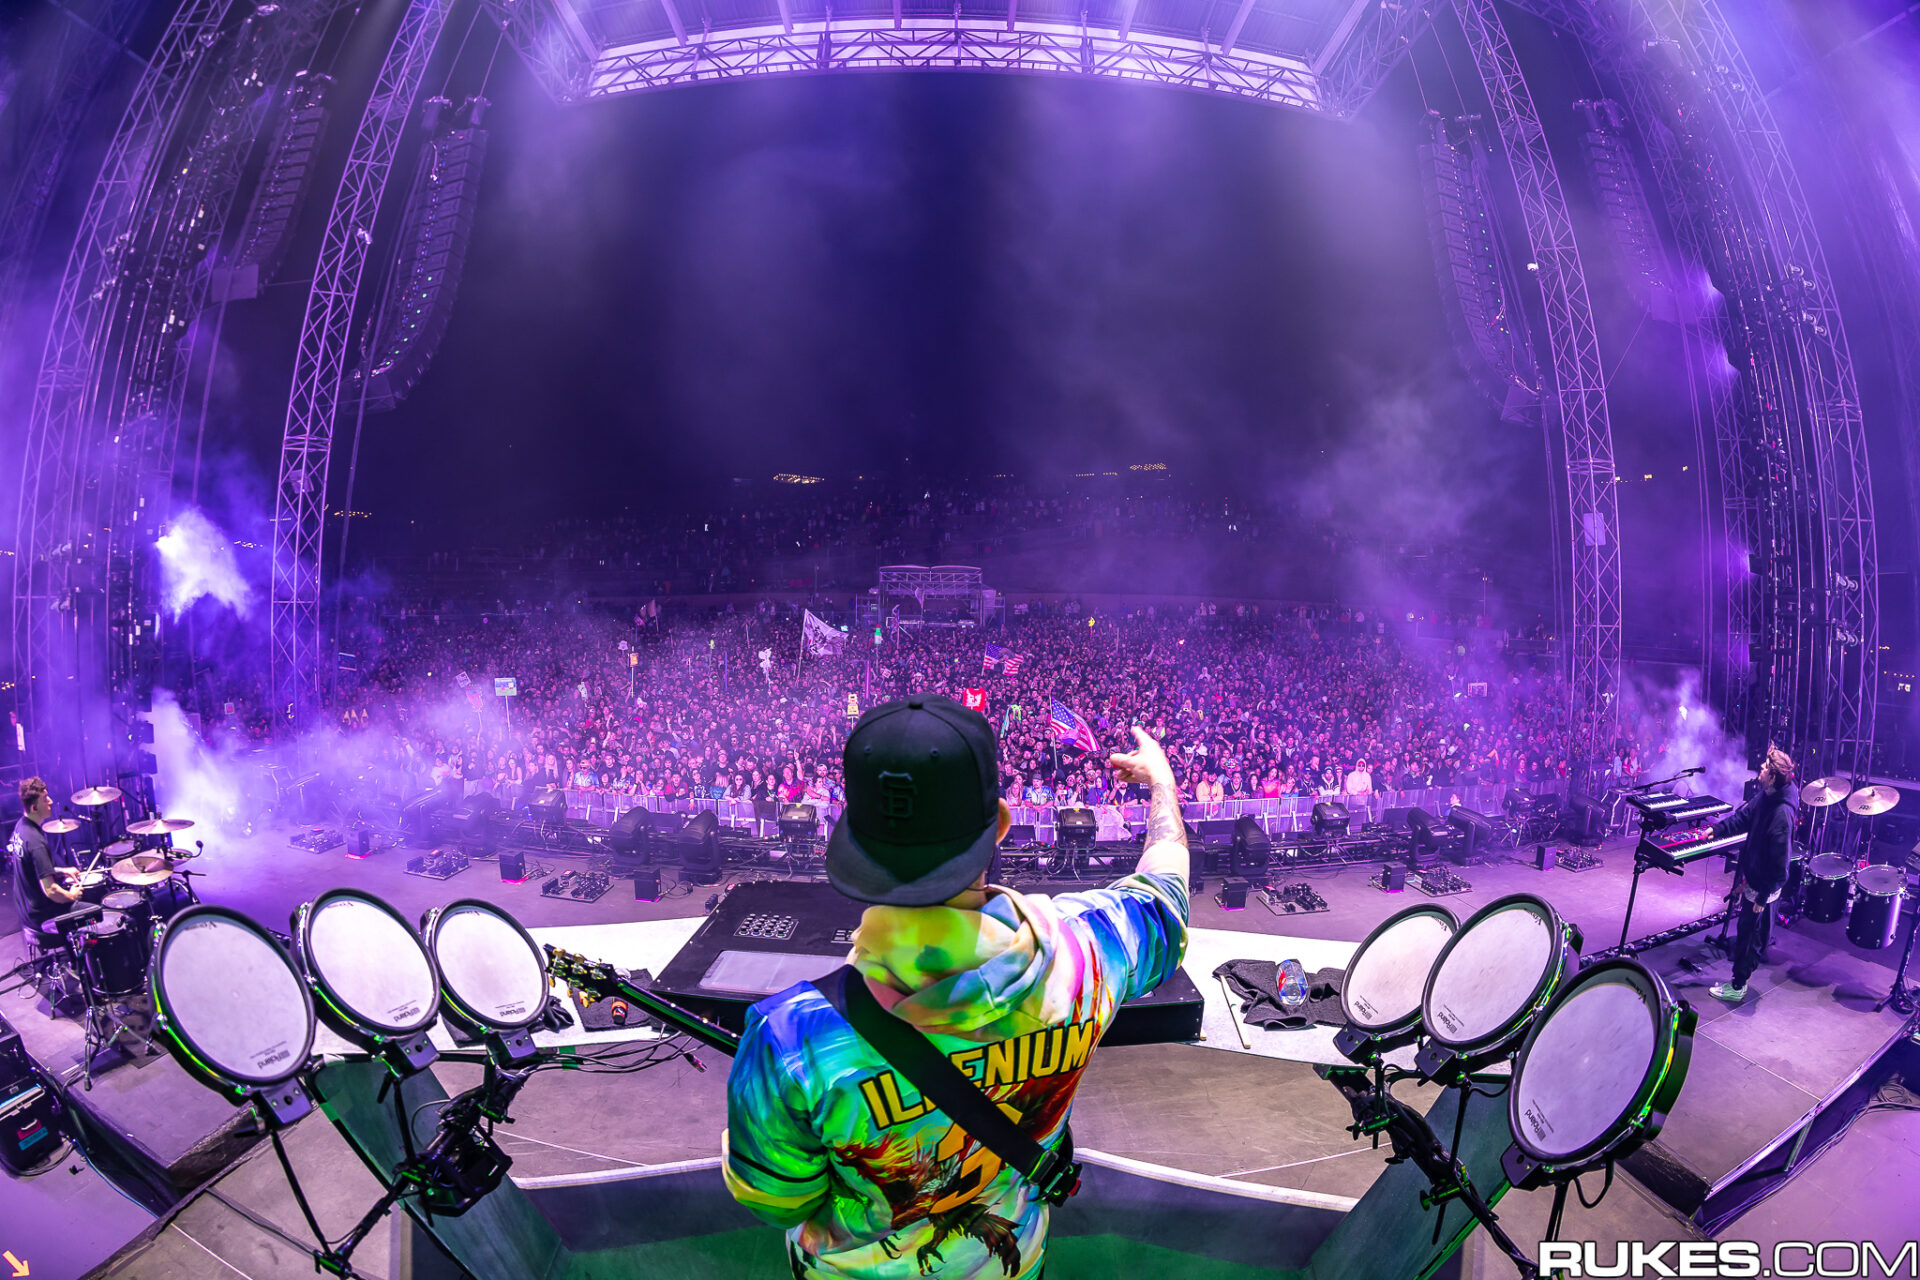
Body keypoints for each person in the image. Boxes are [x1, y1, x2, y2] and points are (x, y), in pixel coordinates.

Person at [722, 696, 1190, 1279]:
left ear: (854, 848)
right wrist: (1162, 785)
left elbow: (775, 1201)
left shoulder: (790, 1040)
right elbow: (1165, 897)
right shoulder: (1090, 951)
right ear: (999, 823)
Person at [1706, 747, 1799, 1003]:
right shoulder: (1769, 795)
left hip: (1764, 887)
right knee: (1748, 932)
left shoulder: (1781, 815)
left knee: (1750, 937)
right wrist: (1718, 830)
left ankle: (1738, 986)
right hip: (1757, 879)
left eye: (1764, 767)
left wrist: (1761, 897)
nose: (1759, 768)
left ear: (1772, 777)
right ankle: (1739, 980)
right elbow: (1745, 816)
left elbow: (1780, 868)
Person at [8, 777, 78, 934]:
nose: (51, 801)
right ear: (34, 807)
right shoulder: (36, 841)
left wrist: (60, 870)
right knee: (92, 907)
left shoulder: (21, 826)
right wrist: (72, 895)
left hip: (26, 909)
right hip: (41, 916)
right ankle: (84, 956)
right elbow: (51, 890)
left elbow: (33, 868)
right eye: (45, 799)